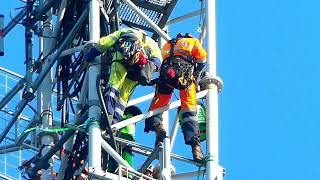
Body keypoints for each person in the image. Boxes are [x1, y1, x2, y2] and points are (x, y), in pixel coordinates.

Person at [144, 33, 207, 162]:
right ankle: (195, 147)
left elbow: (159, 62)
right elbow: (202, 58)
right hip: (185, 78)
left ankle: (158, 129)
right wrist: (197, 74)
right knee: (189, 111)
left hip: (166, 77)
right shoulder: (192, 42)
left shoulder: (167, 45)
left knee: (155, 109)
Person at [84, 28, 162, 124]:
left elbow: (106, 42)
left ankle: (108, 114)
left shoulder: (127, 31)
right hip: (137, 70)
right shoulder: (152, 43)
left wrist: (90, 56)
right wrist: (148, 70)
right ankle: (115, 122)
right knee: (123, 97)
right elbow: (158, 62)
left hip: (122, 59)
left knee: (114, 84)